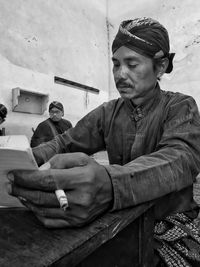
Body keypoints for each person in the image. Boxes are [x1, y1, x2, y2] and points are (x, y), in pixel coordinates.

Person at [8, 18, 200, 266]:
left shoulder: (180, 106)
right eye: (116, 64)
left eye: (132, 64)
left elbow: (180, 158)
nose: (120, 74)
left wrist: (112, 185)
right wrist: (19, 159)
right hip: (122, 218)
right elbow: (64, 144)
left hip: (171, 221)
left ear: (160, 66)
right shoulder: (108, 113)